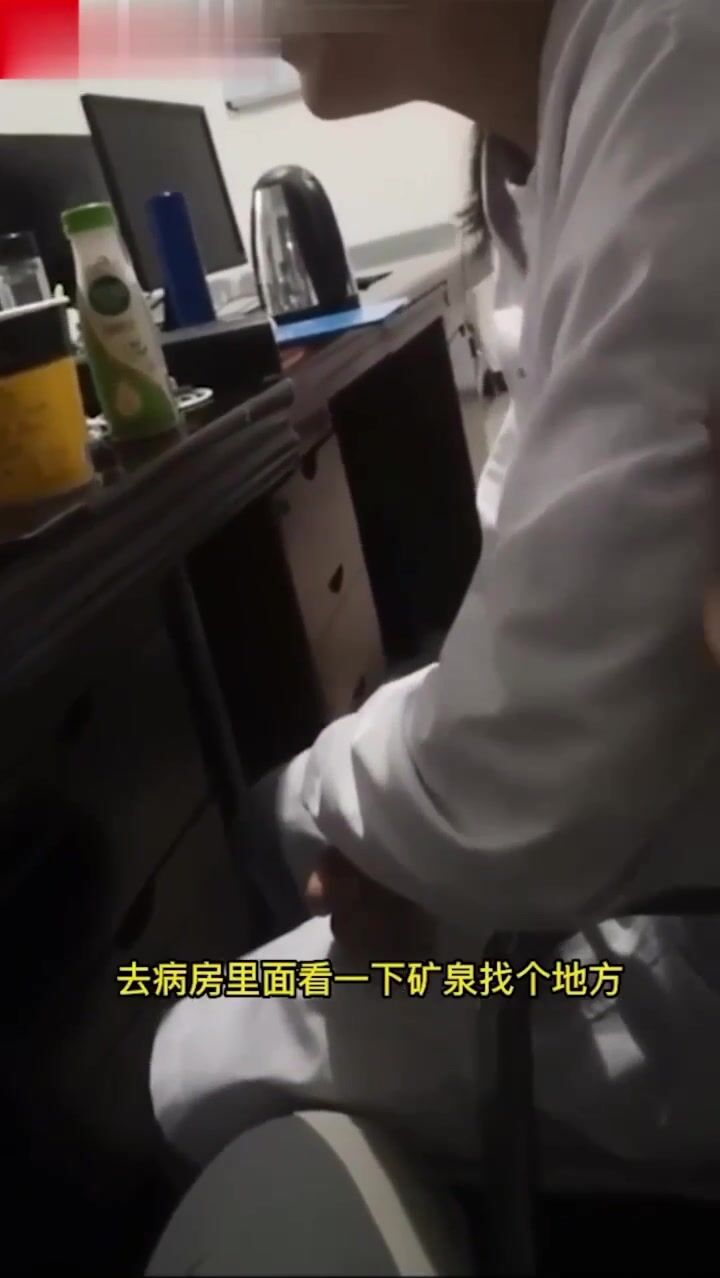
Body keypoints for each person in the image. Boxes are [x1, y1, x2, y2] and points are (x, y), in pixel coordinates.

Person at [151, 0, 720, 1186]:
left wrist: (359, 819)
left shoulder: (681, 58)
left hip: (680, 933)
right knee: (290, 831)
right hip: (640, 837)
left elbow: (529, 777)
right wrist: (407, 832)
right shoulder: (552, 144)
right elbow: (554, 637)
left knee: (188, 1041)